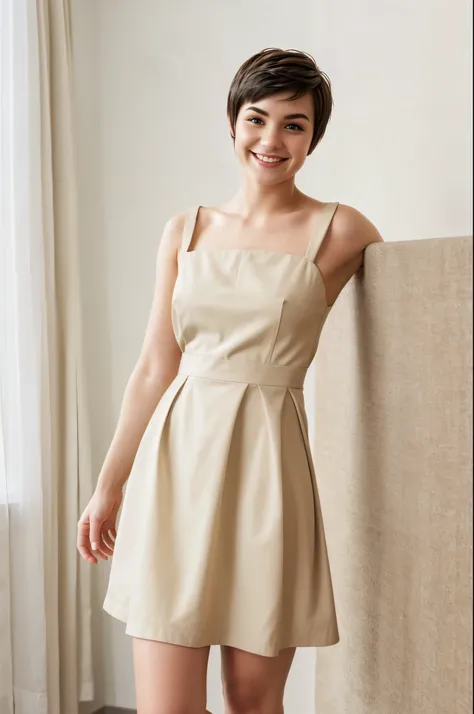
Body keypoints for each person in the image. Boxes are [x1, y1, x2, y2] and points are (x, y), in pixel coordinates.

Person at [77, 47, 384, 714]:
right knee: (167, 708)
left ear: (314, 137)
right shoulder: (186, 230)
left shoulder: (343, 231)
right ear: (232, 123)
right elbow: (156, 365)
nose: (271, 140)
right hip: (175, 470)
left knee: (252, 702)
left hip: (269, 475)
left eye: (294, 125)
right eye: (257, 119)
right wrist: (109, 486)